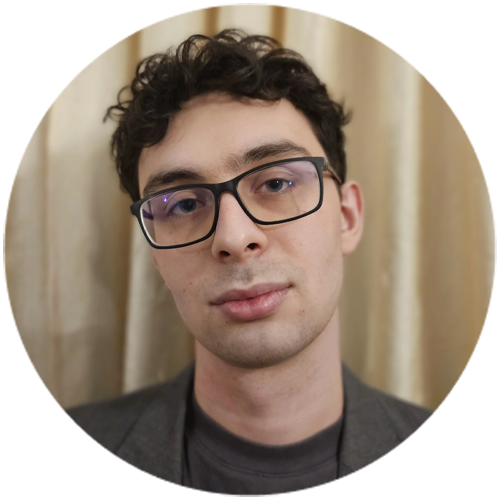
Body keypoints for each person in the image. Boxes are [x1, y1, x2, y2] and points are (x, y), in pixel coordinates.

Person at [5, 30, 496, 497]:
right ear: (155, 254)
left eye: (277, 183)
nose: (234, 238)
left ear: (347, 217)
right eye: (184, 204)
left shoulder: (480, 478)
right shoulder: (30, 469)